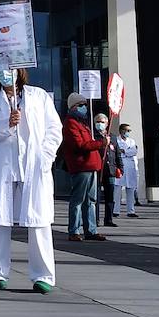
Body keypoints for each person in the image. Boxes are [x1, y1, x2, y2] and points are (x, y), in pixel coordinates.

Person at [0, 68, 63, 293]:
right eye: (0, 71)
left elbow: (54, 129)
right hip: (2, 166)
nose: (4, 74)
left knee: (39, 221)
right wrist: (6, 123)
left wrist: (45, 156)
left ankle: (42, 276)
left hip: (34, 167)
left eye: (9, 70)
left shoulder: (39, 96)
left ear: (19, 72)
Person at [61, 93, 107, 242]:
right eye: (81, 105)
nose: (84, 108)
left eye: (85, 105)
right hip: (81, 166)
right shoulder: (70, 123)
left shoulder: (83, 123)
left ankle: (91, 229)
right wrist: (101, 143)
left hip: (91, 165)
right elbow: (80, 145)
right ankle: (74, 230)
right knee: (78, 199)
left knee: (91, 200)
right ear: (74, 107)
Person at [96, 114, 122, 228]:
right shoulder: (93, 136)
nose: (99, 124)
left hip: (110, 170)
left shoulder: (113, 137)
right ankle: (95, 219)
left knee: (110, 196)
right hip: (97, 170)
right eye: (97, 121)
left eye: (102, 122)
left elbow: (117, 153)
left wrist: (120, 167)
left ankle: (109, 219)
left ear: (106, 124)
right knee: (95, 196)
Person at [118, 123, 141, 217]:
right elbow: (118, 151)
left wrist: (125, 151)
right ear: (121, 130)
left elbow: (134, 151)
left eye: (129, 131)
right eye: (126, 130)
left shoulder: (132, 141)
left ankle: (131, 211)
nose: (127, 132)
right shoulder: (116, 140)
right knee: (117, 188)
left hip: (131, 167)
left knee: (130, 189)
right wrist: (127, 152)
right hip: (121, 165)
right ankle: (116, 210)